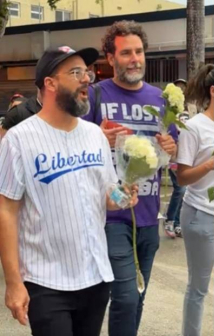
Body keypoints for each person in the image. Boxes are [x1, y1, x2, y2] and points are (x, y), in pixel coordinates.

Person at [0, 46, 138, 336]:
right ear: (49, 83)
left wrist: (124, 196)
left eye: (86, 72)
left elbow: (106, 195)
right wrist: (13, 282)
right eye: (75, 73)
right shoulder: (18, 140)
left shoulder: (95, 137)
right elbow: (7, 211)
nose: (86, 79)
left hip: (95, 276)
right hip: (46, 282)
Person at [83, 21, 178, 336]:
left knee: (137, 295)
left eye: (139, 52)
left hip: (149, 215)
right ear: (111, 59)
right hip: (110, 214)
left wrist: (170, 147)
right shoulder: (95, 96)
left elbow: (171, 155)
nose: (135, 58)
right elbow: (70, 141)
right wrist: (98, 137)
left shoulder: (160, 99)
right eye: (126, 53)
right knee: (124, 296)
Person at [175, 64, 214, 334]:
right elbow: (182, 177)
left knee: (208, 284)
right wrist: (211, 164)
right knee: (199, 287)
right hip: (199, 213)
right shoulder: (194, 127)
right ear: (213, 91)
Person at [163, 78, 190, 238]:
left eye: (183, 88)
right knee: (180, 189)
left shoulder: (191, 109)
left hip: (187, 155)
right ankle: (169, 220)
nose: (181, 90)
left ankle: (178, 223)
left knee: (184, 191)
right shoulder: (168, 111)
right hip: (174, 155)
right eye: (178, 87)